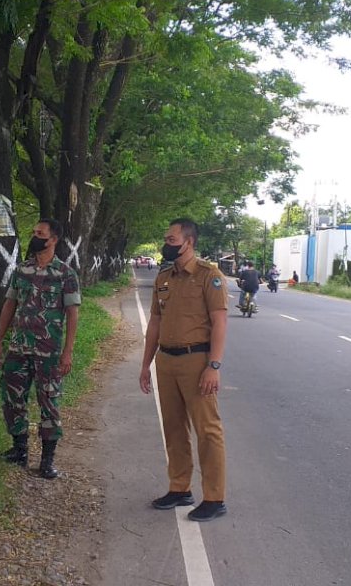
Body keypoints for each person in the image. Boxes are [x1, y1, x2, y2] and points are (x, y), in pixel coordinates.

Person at [139, 218, 229, 522]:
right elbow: (155, 322)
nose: (167, 242)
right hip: (166, 361)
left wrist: (213, 366)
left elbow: (220, 322)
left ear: (188, 241)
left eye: (171, 238)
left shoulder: (209, 276)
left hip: (197, 361)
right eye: (166, 237)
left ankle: (214, 498)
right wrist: (145, 364)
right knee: (173, 427)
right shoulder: (164, 276)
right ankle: (180, 488)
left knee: (207, 430)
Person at [0, 219, 81, 479]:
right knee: (12, 398)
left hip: (49, 352)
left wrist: (68, 352)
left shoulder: (65, 274)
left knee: (49, 402)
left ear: (53, 239)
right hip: (19, 348)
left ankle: (47, 460)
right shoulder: (22, 270)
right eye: (33, 233)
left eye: (40, 234)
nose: (35, 237)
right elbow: (9, 306)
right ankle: (19, 450)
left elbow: (72, 315)